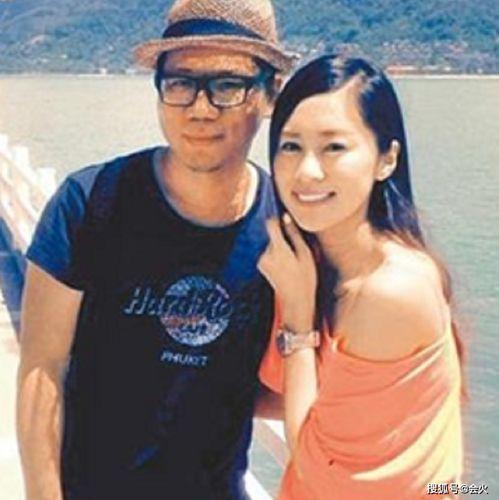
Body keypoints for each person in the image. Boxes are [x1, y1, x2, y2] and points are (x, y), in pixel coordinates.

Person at [16, 1, 294, 499]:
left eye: (227, 85)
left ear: (270, 93)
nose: (201, 108)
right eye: (181, 83)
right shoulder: (90, 204)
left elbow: (302, 378)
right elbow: (43, 367)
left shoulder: (289, 229)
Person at [258, 55, 465, 499]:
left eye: (334, 147)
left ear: (386, 159)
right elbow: (314, 395)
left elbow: (317, 467)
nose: (306, 171)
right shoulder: (308, 258)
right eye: (290, 146)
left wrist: (298, 319)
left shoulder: (391, 290)